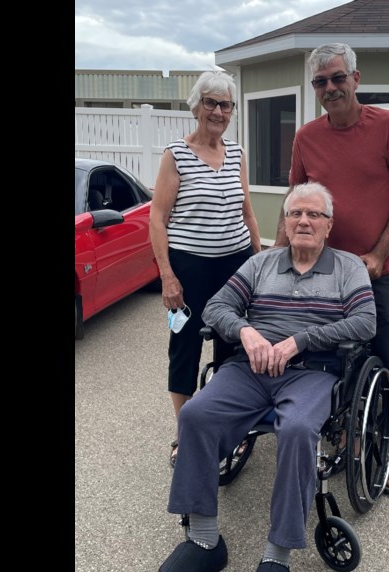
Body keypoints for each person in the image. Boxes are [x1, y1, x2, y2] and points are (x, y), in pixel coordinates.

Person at [150, 181, 376, 572]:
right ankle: (204, 539)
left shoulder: (348, 268)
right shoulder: (260, 263)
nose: (304, 222)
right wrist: (248, 333)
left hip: (312, 370)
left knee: (296, 430)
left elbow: (366, 322)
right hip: (250, 368)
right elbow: (216, 307)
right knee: (195, 415)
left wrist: (299, 341)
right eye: (296, 214)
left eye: (314, 215)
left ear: (329, 225)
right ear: (285, 222)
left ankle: (277, 555)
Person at [275, 42, 389, 495]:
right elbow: (295, 204)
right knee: (328, 355)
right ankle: (338, 432)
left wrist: (378, 254)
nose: (331, 88)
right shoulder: (307, 137)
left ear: (356, 78)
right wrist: (274, 261)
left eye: (338, 78)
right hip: (323, 272)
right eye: (321, 82)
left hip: (379, 268)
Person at [149, 65, 262, 469]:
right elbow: (158, 218)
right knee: (185, 346)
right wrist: (167, 275)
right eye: (211, 103)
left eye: (226, 105)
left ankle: (229, 428)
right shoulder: (175, 155)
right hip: (188, 268)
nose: (218, 111)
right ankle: (187, 434)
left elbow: (246, 208)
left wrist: (257, 258)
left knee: (233, 347)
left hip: (234, 266)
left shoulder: (236, 154)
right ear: (197, 107)